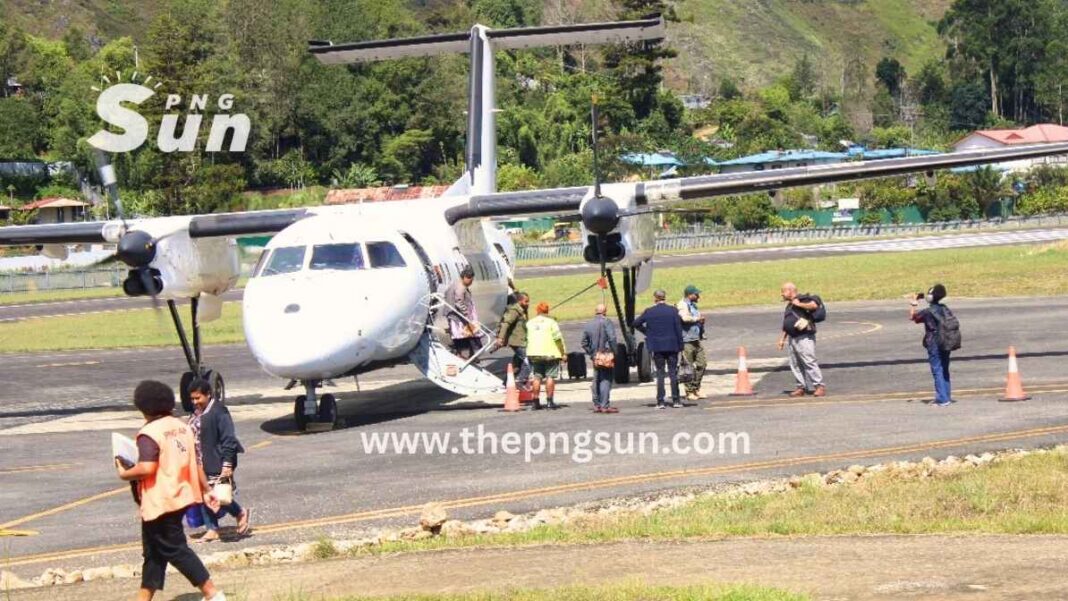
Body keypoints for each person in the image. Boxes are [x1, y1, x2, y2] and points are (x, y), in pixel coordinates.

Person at [115, 380, 226, 601]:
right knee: (154, 554)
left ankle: (212, 594)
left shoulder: (149, 433)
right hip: (180, 495)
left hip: (160, 501)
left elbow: (147, 467)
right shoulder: (180, 426)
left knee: (176, 549)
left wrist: (123, 471)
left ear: (142, 406)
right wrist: (206, 489)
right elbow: (196, 462)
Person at [187, 378, 250, 542]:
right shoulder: (199, 411)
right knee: (206, 494)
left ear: (208, 394)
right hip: (201, 460)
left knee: (217, 494)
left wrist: (227, 462)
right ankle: (212, 528)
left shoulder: (219, 411)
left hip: (216, 459)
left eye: (198, 398)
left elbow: (228, 438)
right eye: (192, 398)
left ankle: (239, 512)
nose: (195, 402)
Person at [635, 289, 684, 409]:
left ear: (655, 298)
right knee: (673, 373)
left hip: (657, 346)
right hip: (672, 346)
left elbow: (636, 323)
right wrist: (681, 346)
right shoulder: (673, 311)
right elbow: (679, 329)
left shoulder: (650, 311)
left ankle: (660, 401)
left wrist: (648, 332)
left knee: (660, 374)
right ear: (664, 297)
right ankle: (676, 400)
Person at [777, 282, 825, 397]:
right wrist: (782, 339)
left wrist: (799, 304)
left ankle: (819, 386)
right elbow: (786, 324)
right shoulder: (789, 306)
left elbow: (814, 305)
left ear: (790, 291)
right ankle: (801, 387)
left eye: (783, 291)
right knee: (795, 364)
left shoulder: (803, 299)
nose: (781, 294)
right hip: (792, 338)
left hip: (804, 337)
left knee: (809, 361)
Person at [910, 284, 954, 406]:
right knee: (944, 368)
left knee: (937, 369)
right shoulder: (946, 309)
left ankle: (942, 399)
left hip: (934, 341)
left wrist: (914, 302)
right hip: (946, 340)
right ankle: (947, 396)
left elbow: (913, 317)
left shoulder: (928, 312)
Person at [526, 302, 566, 410]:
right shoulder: (551, 322)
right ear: (547, 311)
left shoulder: (530, 323)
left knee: (537, 377)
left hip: (534, 353)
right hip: (550, 353)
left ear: (537, 311)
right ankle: (549, 401)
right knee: (550, 376)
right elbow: (558, 339)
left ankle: (535, 401)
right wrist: (563, 353)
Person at [581, 303, 619, 413]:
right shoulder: (607, 322)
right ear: (605, 312)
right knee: (606, 380)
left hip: (595, 356)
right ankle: (604, 405)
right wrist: (615, 353)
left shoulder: (589, 324)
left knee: (596, 379)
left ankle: (596, 404)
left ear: (595, 311)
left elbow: (584, 342)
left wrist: (592, 354)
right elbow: (612, 338)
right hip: (606, 355)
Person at [676, 284, 707, 401]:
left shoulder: (693, 305)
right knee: (688, 367)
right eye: (696, 294)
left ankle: (695, 387)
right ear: (690, 295)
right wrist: (697, 319)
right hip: (687, 340)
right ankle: (689, 391)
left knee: (702, 364)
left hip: (696, 339)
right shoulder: (682, 305)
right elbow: (684, 318)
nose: (698, 296)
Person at [496, 292, 531, 387]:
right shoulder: (514, 311)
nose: (528, 303)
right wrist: (500, 338)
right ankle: (521, 380)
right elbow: (505, 324)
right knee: (528, 361)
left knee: (517, 363)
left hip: (522, 340)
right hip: (517, 341)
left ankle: (506, 382)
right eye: (526, 301)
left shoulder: (522, 310)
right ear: (520, 301)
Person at [446, 266, 481, 359]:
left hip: (454, 315)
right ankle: (467, 354)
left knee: (461, 335)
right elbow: (459, 302)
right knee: (466, 334)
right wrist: (467, 314)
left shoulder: (455, 284)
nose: (471, 282)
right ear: (465, 277)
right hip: (459, 316)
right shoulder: (461, 287)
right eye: (471, 280)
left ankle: (466, 354)